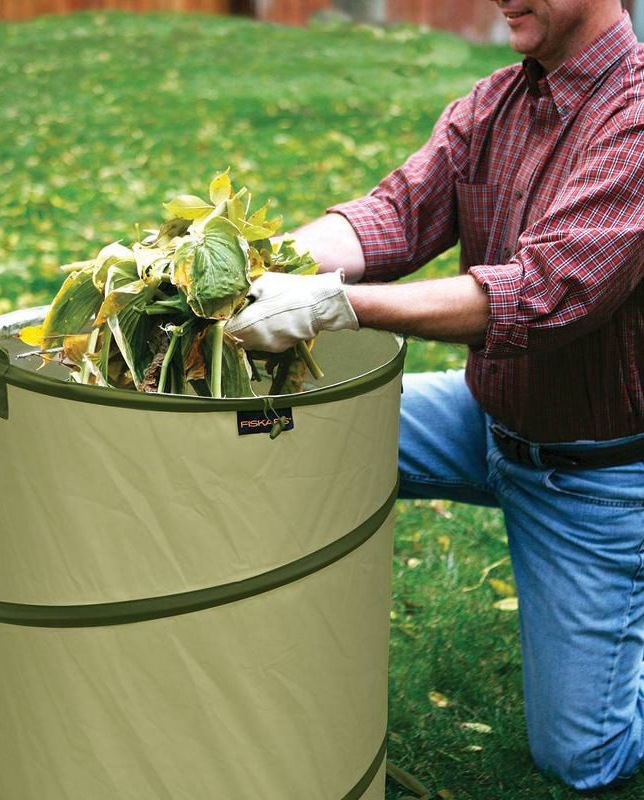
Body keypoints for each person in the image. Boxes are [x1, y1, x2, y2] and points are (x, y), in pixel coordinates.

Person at [226, 0, 644, 791]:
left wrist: (340, 306)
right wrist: (257, 263)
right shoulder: (496, 103)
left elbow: (543, 297)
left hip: (593, 478)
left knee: (582, 759)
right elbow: (392, 217)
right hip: (483, 415)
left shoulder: (638, 119)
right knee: (271, 429)